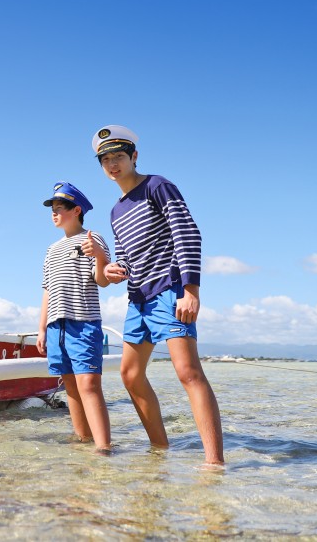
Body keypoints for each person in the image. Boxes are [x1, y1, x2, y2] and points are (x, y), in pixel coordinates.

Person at [91, 124, 224, 465]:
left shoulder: (157, 186)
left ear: (134, 156)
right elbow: (125, 258)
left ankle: (214, 464)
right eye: (105, 159)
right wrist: (111, 270)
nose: (112, 164)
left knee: (188, 372)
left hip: (169, 290)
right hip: (138, 300)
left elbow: (188, 233)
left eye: (118, 156)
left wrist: (191, 290)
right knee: (130, 375)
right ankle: (159, 451)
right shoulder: (115, 211)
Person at [36, 181, 112, 451]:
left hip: (84, 322)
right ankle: (83, 443)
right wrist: (42, 329)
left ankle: (104, 448)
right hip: (56, 327)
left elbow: (102, 281)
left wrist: (101, 257)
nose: (54, 213)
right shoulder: (51, 249)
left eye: (59, 208)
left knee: (89, 384)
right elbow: (47, 290)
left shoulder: (93, 238)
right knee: (70, 388)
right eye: (52, 209)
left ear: (76, 210)